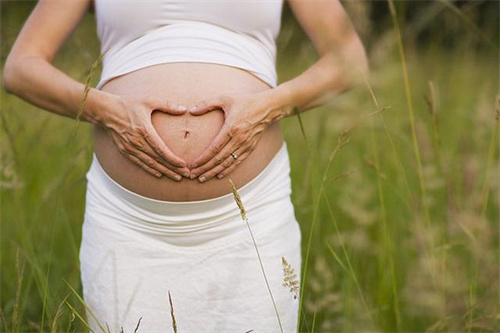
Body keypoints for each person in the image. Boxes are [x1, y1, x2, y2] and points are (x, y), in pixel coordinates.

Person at [3, 0, 368, 331]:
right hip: (129, 221)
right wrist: (111, 112)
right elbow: (21, 67)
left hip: (252, 216)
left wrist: (268, 106)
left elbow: (348, 61)